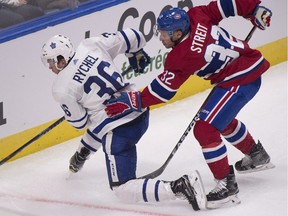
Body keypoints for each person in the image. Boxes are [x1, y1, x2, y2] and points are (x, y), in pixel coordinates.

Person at [105, 0, 275, 209]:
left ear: (177, 34)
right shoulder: (197, 15)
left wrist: (136, 100)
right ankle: (256, 154)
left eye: (164, 34)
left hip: (239, 78)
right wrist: (253, 9)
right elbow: (227, 4)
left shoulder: (181, 56)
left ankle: (227, 187)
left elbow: (163, 90)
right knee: (220, 120)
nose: (161, 38)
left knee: (205, 129)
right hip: (245, 67)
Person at [40, 29, 206, 210]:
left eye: (50, 62)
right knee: (101, 118)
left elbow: (80, 123)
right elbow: (133, 36)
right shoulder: (90, 45)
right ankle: (82, 154)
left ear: (61, 59)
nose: (50, 67)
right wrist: (136, 53)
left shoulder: (61, 88)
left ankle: (178, 187)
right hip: (139, 111)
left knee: (121, 188)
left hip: (120, 132)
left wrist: (75, 106)